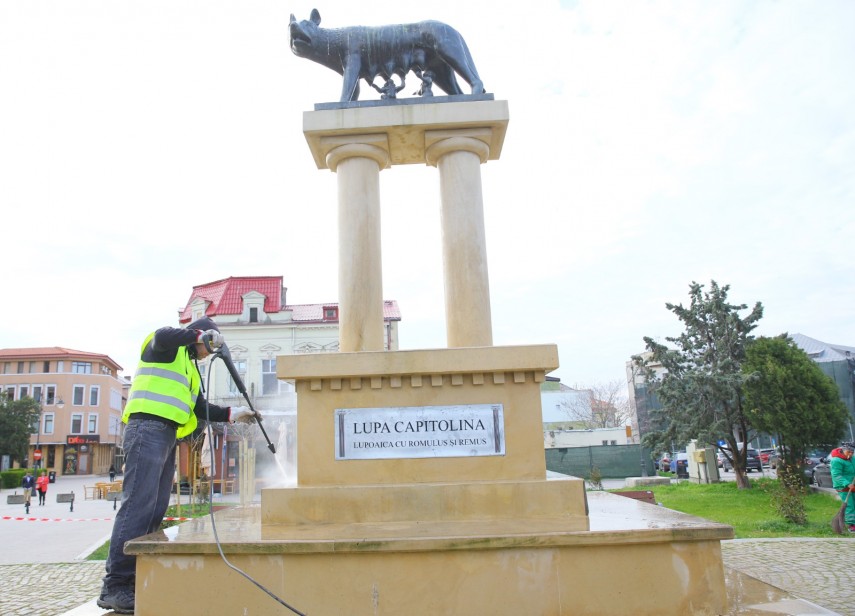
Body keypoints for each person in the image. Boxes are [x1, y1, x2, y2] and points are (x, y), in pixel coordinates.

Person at [98, 317, 260, 614]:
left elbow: (200, 408)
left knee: (155, 508)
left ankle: (135, 578)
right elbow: (163, 335)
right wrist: (200, 334)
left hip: (166, 435)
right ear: (200, 337)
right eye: (208, 347)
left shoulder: (191, 370)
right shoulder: (164, 347)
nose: (208, 354)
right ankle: (115, 585)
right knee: (137, 506)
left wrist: (236, 414)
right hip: (146, 427)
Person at [829, 442, 855, 533]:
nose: (851, 454)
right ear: (844, 450)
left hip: (853, 486)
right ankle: (851, 525)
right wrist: (847, 484)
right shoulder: (836, 460)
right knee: (850, 505)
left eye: (852, 452)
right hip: (843, 487)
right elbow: (837, 475)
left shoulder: (852, 459)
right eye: (849, 452)